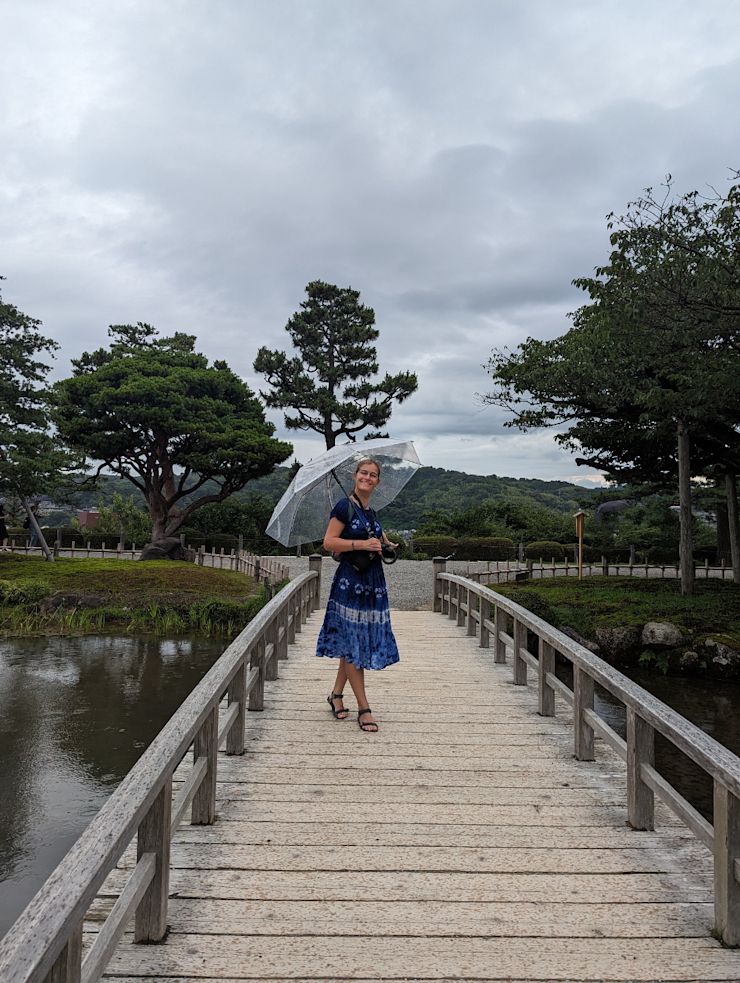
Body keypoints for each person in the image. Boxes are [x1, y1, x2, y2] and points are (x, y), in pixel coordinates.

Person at [316, 458, 399, 733]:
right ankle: (364, 708)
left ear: (377, 481)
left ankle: (336, 695)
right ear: (355, 475)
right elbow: (329, 542)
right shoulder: (344, 506)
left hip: (372, 582)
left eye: (373, 474)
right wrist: (361, 544)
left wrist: (385, 543)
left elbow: (372, 532)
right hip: (350, 584)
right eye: (363, 472)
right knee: (354, 643)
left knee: (352, 641)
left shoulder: (369, 510)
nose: (367, 477)